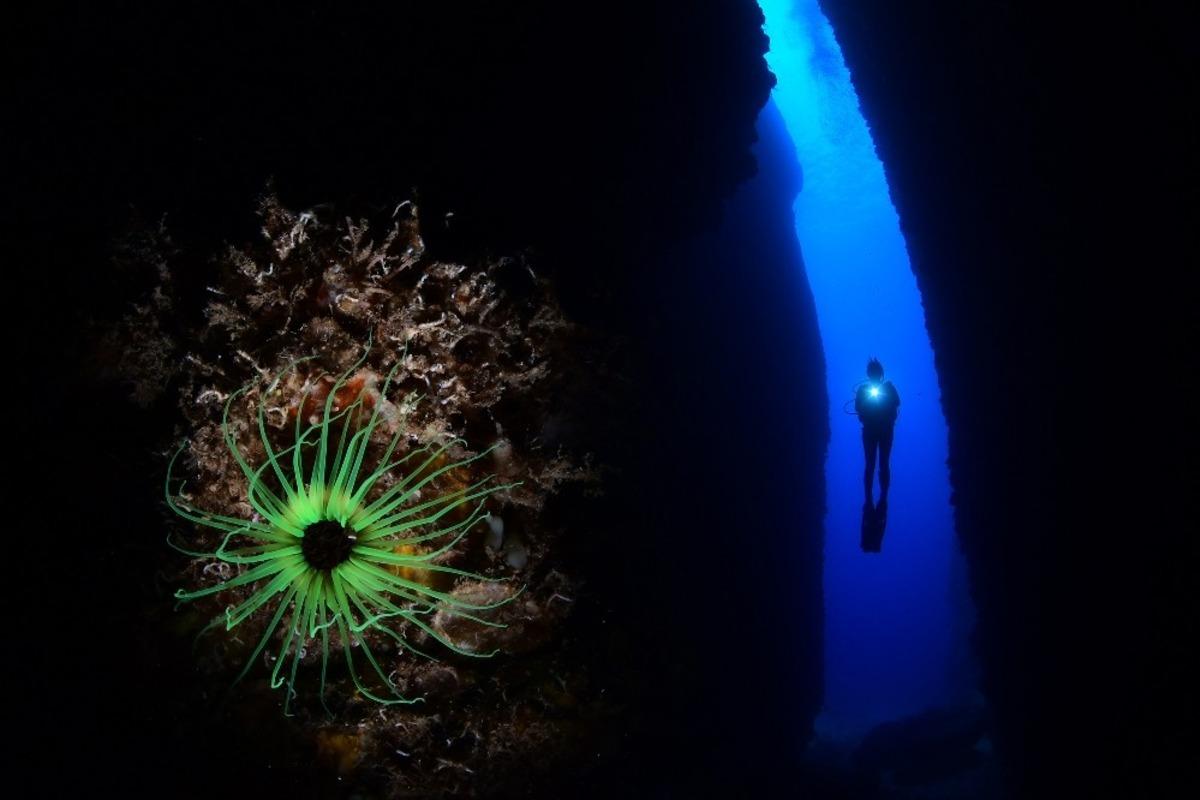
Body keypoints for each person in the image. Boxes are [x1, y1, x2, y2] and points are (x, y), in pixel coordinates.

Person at [855, 358, 900, 506]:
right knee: (870, 464)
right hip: (870, 431)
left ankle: (883, 496)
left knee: (883, 463)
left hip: (885, 431)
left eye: (876, 373)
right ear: (869, 375)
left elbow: (897, 404)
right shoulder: (863, 391)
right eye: (872, 373)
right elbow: (858, 409)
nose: (874, 376)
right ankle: (869, 498)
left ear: (880, 374)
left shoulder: (889, 388)